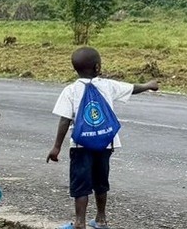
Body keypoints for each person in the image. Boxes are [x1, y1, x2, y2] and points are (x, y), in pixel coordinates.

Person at [47, 47, 159, 229]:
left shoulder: (70, 90)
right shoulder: (107, 85)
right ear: (97, 67)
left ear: (75, 69)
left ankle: (80, 222)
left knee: (80, 185)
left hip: (80, 146)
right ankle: (100, 219)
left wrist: (56, 147)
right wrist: (149, 85)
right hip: (104, 145)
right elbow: (132, 88)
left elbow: (64, 120)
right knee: (101, 181)